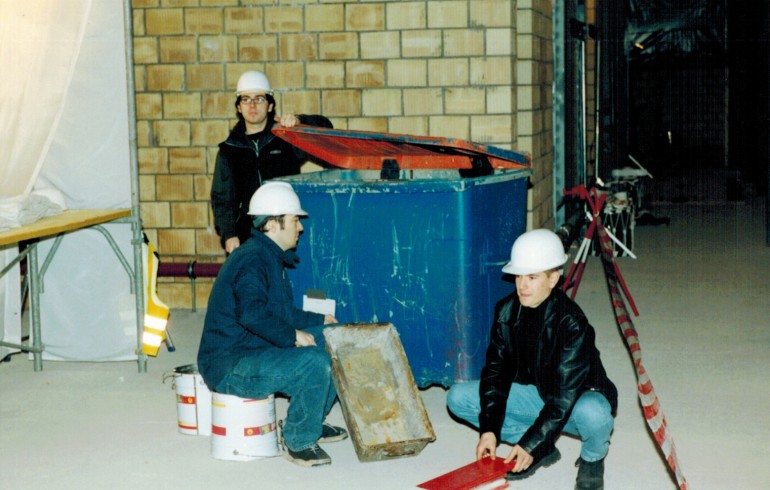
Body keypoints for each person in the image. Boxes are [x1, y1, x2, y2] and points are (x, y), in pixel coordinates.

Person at [446, 229, 618, 490]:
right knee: (458, 398)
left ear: (553, 279)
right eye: (518, 276)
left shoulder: (571, 323)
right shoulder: (505, 311)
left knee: (595, 414)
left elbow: (563, 397)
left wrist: (530, 442)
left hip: (575, 399)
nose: (522, 285)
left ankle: (592, 460)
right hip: (536, 393)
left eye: (532, 277)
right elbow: (495, 375)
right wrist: (489, 429)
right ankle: (543, 449)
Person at [198, 181, 346, 467]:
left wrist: (320, 321)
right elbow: (251, 314)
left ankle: (310, 419)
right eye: (294, 221)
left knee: (334, 339)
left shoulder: (268, 255)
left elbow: (280, 311)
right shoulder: (253, 260)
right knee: (314, 362)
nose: (300, 228)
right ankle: (299, 439)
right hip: (230, 363)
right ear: (273, 224)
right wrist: (292, 336)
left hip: (253, 347)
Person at [211, 70, 332, 254]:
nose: (252, 105)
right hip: (247, 237)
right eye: (246, 99)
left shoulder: (286, 139)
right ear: (239, 107)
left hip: (287, 236)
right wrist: (229, 234)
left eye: (259, 98)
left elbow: (326, 127)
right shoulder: (229, 150)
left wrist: (299, 121)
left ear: (269, 105)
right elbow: (222, 198)